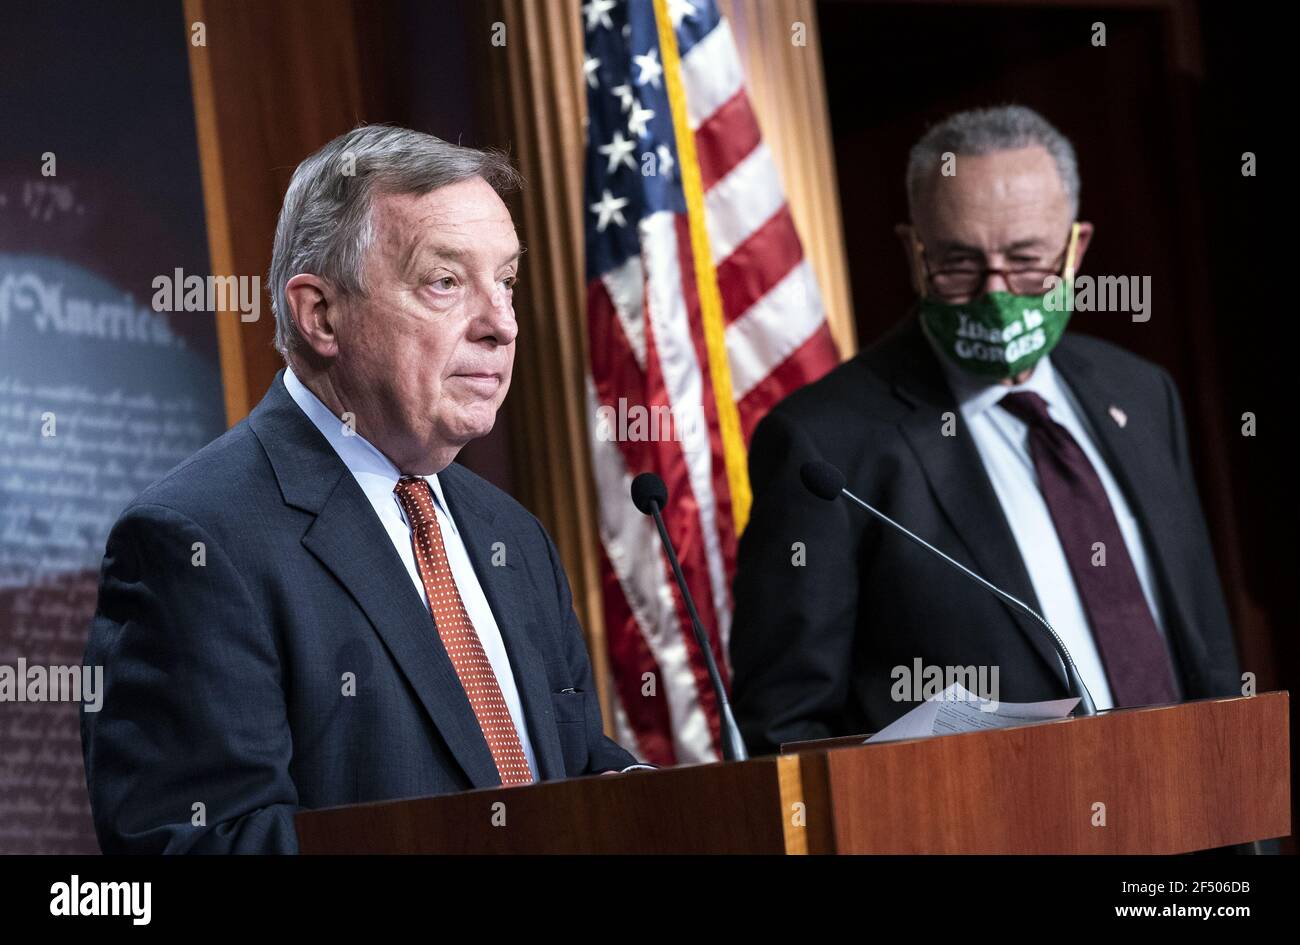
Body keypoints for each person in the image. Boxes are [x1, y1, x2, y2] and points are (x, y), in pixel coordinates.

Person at [81, 125, 641, 854]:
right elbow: (200, 844)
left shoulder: (514, 536)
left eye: (504, 281)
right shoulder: (195, 540)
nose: (501, 323)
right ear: (321, 315)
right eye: (446, 280)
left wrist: (651, 797)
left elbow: (565, 771)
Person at [730, 105, 1242, 756]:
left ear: (1076, 248)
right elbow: (783, 732)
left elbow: (1206, 651)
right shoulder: (824, 443)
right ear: (914, 256)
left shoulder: (1140, 393)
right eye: (959, 265)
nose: (996, 295)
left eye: (1027, 261)